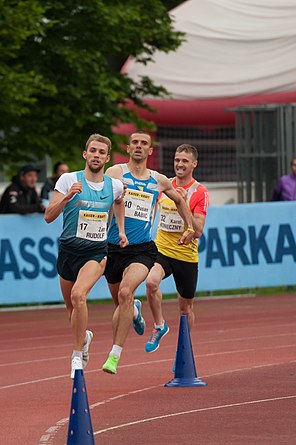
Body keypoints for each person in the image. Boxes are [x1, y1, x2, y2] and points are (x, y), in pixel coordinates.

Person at [102, 130, 196, 375]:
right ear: (128, 147)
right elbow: (97, 192)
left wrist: (189, 227)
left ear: (150, 151)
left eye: (144, 143)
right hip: (113, 247)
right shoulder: (114, 173)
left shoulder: (159, 180)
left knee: (125, 291)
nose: (139, 146)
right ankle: (133, 309)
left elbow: (179, 201)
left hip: (142, 250)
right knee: (120, 302)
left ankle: (114, 355)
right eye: (135, 142)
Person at [44, 133, 128, 378]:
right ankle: (85, 336)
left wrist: (120, 230)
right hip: (69, 250)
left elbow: (120, 201)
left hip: (96, 251)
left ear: (107, 158)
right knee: (72, 310)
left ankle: (76, 357)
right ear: (85, 154)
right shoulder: (68, 179)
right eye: (93, 150)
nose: (97, 155)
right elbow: (48, 216)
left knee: (79, 295)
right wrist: (68, 197)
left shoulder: (114, 185)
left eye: (102, 152)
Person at [145, 144, 209, 357]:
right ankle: (159, 325)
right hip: (162, 249)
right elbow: (151, 209)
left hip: (185, 255)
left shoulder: (200, 192)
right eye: (176, 160)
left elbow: (198, 230)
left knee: (185, 309)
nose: (179, 164)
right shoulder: (163, 184)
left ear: (194, 164)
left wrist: (183, 202)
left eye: (184, 161)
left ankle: (184, 352)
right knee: (151, 282)